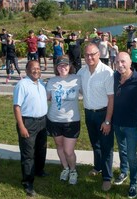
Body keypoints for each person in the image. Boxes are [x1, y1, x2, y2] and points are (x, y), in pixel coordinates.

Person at [77, 43, 114, 191]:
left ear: (99, 54)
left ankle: (107, 177)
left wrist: (107, 120)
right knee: (95, 144)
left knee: (106, 146)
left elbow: (111, 99)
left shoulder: (107, 72)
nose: (90, 57)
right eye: (87, 55)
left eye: (93, 54)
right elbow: (79, 90)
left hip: (103, 114)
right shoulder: (81, 72)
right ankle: (97, 167)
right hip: (89, 113)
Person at [112, 52, 137, 199]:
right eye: (117, 62)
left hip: (132, 125)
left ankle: (134, 183)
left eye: (123, 62)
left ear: (131, 62)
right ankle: (123, 171)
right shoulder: (114, 77)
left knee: (132, 155)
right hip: (117, 122)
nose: (120, 65)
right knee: (122, 150)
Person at [13, 60, 48, 197]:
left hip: (42, 121)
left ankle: (39, 170)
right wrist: (21, 126)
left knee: (41, 149)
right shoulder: (22, 85)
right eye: (33, 68)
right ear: (27, 70)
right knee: (28, 154)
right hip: (28, 122)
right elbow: (17, 107)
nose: (36, 70)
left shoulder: (41, 83)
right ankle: (27, 181)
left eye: (38, 68)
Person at [46, 56, 81, 185]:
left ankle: (73, 170)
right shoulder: (52, 81)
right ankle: (65, 168)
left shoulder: (77, 79)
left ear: (70, 66)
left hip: (71, 121)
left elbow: (87, 92)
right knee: (59, 146)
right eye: (60, 65)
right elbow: (47, 97)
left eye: (65, 65)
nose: (63, 68)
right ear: (56, 67)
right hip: (54, 119)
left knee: (68, 150)